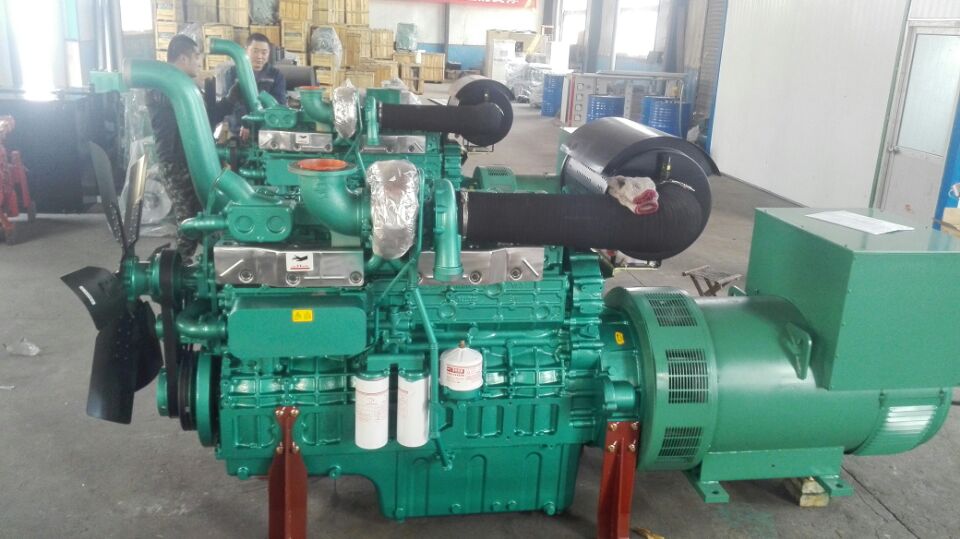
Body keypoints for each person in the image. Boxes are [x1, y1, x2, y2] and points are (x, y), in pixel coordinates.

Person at [146, 34, 205, 259]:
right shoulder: (161, 87)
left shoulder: (179, 86)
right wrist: (195, 89)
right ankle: (177, 266)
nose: (199, 62)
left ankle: (205, 260)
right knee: (188, 218)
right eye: (196, 57)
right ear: (183, 58)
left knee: (200, 214)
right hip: (175, 162)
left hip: (189, 159)